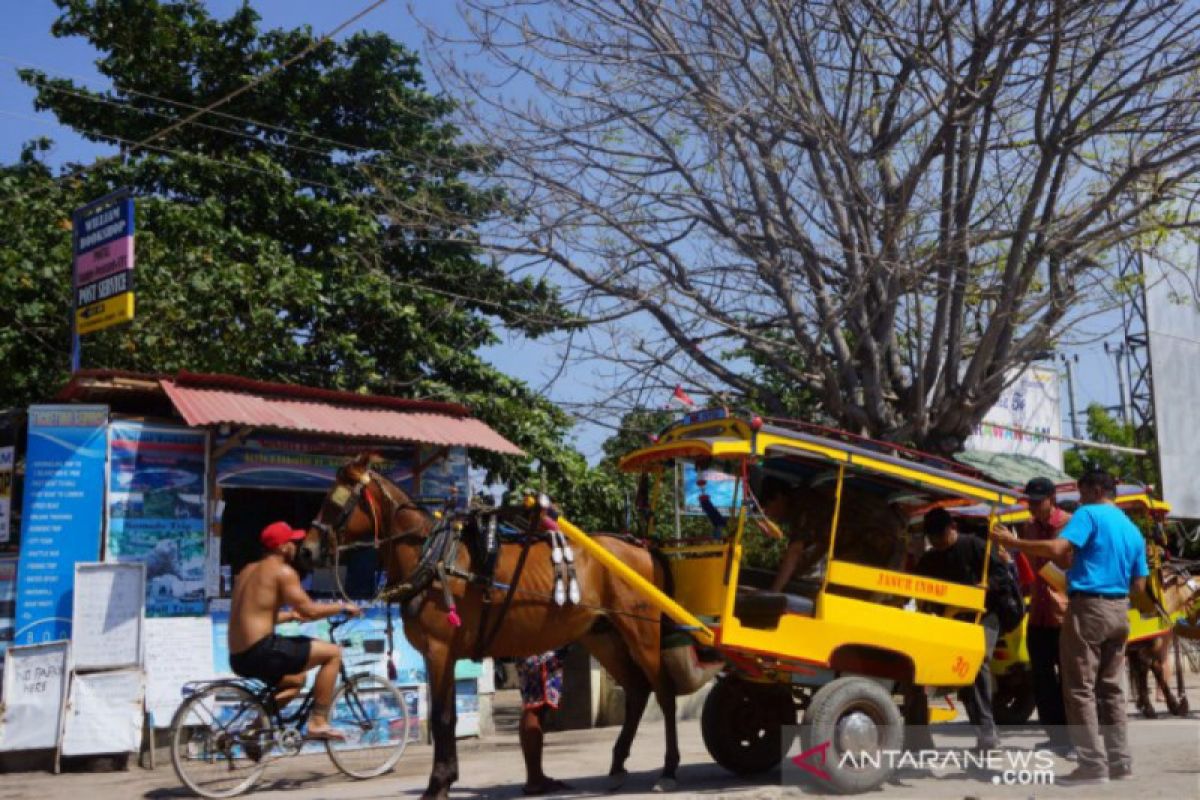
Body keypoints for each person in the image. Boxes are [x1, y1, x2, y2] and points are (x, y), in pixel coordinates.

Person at [991, 470, 1148, 785]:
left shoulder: (1087, 514)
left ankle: (1092, 765)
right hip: (1120, 610)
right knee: (1112, 689)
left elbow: (1060, 550)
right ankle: (1121, 762)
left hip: (1088, 607)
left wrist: (1013, 542)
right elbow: (1140, 586)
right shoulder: (1131, 529)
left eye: (1081, 490)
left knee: (1079, 688)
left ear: (1094, 489)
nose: (1078, 498)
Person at [228, 520, 361, 740]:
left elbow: (254, 616)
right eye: (292, 542)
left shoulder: (246, 572)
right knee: (333, 653)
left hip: (239, 657)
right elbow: (310, 611)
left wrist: (289, 616)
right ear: (281, 547)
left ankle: (252, 729)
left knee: (296, 681)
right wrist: (342, 606)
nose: (296, 546)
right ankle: (318, 721)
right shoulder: (282, 572)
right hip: (263, 651)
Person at [908, 508, 1004, 752]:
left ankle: (987, 730)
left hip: (984, 617)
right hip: (950, 621)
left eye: (940, 537)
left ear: (953, 528)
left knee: (976, 663)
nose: (938, 543)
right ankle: (918, 738)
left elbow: (1003, 577)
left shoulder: (975, 546)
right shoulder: (930, 559)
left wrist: (987, 585)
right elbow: (916, 585)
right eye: (933, 539)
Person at [756, 475, 905, 592]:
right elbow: (823, 545)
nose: (768, 514)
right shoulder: (808, 501)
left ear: (779, 497)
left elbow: (795, 551)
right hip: (885, 537)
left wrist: (774, 590)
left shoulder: (801, 503)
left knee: (839, 593)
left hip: (875, 538)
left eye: (767, 507)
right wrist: (797, 574)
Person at [1019, 477, 1072, 753]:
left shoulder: (1069, 524)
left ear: (1052, 498)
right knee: (1041, 678)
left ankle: (1074, 738)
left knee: (1069, 678)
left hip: (1062, 612)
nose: (1032, 507)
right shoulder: (1028, 527)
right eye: (1030, 501)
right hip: (1038, 611)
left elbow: (1058, 553)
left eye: (1037, 502)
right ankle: (1055, 737)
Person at [516, 650, 569, 795]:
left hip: (527, 652)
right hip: (541, 653)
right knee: (535, 707)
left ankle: (535, 776)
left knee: (533, 706)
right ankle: (534, 780)